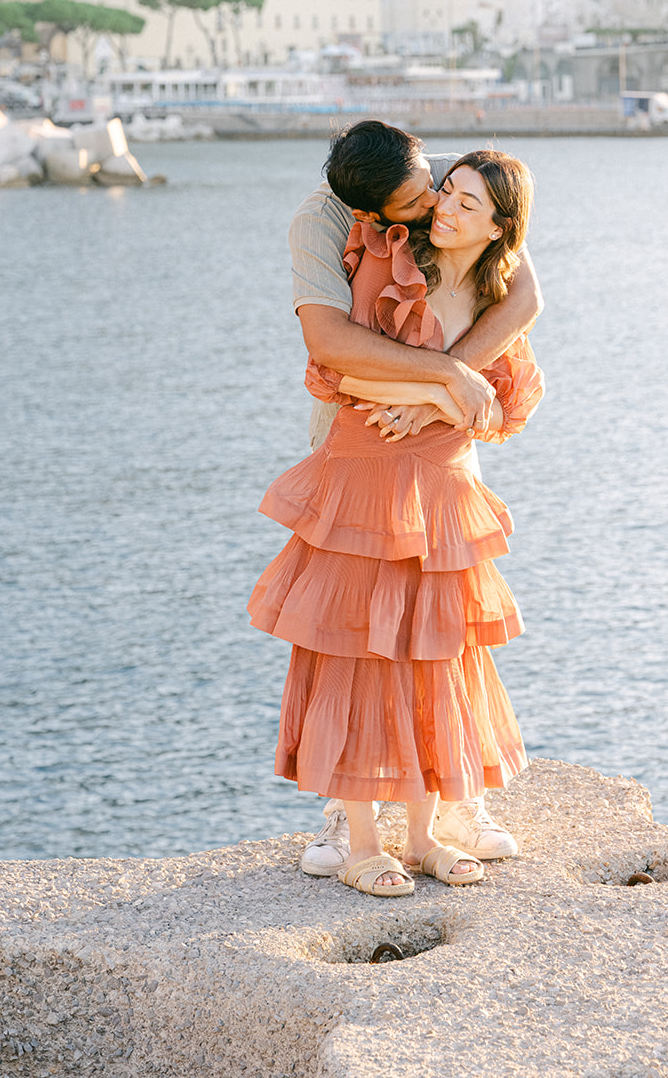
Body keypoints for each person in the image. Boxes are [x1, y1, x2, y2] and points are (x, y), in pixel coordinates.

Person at [249, 147, 543, 895]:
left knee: (432, 653)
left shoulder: (488, 272)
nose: (440, 206)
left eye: (460, 201)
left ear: (497, 225)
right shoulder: (373, 245)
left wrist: (433, 401)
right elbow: (337, 365)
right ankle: (355, 840)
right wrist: (445, 383)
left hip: (438, 487)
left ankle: (427, 832)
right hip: (362, 474)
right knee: (354, 652)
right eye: (439, 196)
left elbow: (499, 402)